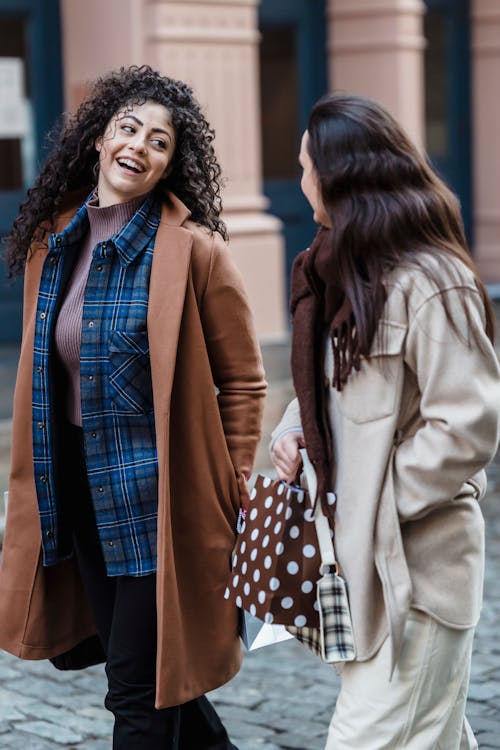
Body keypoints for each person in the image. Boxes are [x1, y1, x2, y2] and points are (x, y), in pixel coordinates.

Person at [0, 64, 267, 749]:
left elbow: (243, 381)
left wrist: (230, 482)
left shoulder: (195, 253)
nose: (139, 148)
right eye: (128, 129)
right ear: (97, 139)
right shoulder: (52, 241)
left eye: (159, 142)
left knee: (136, 693)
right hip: (82, 498)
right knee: (160, 675)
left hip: (162, 507)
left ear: (170, 165)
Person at [271, 93, 500, 749]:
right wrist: (294, 430)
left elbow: (467, 427)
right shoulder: (342, 274)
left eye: (307, 168)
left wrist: (379, 501)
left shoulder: (433, 280)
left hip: (416, 578)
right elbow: (332, 389)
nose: (301, 181)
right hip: (360, 574)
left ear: (341, 177)